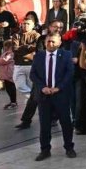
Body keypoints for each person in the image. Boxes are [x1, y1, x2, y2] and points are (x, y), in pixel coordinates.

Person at [30, 32, 76, 161]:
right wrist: (42, 87)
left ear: (59, 42)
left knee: (66, 122)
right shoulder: (39, 56)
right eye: (48, 41)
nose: (50, 44)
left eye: (53, 41)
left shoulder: (66, 55)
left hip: (61, 94)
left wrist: (58, 88)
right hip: (44, 95)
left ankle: (69, 147)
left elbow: (70, 73)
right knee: (44, 124)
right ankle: (45, 150)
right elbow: (33, 74)